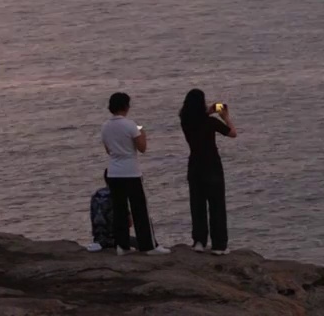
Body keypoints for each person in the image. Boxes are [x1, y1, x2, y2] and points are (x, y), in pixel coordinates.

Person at [101, 92, 169, 255]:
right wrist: (142, 133)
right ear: (125, 106)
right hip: (131, 172)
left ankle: (121, 245)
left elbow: (108, 150)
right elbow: (142, 148)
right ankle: (148, 245)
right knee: (140, 210)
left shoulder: (105, 126)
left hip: (114, 173)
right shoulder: (131, 125)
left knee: (120, 210)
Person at [179, 89, 237, 255]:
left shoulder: (185, 121)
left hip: (195, 166)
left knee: (197, 205)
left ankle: (199, 241)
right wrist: (225, 117)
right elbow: (233, 133)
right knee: (216, 205)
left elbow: (193, 114)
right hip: (212, 165)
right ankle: (219, 245)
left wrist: (208, 110)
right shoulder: (211, 122)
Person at [87, 170, 136, 252]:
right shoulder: (118, 196)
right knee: (142, 244)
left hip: (98, 239)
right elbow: (129, 223)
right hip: (114, 240)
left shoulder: (96, 195)